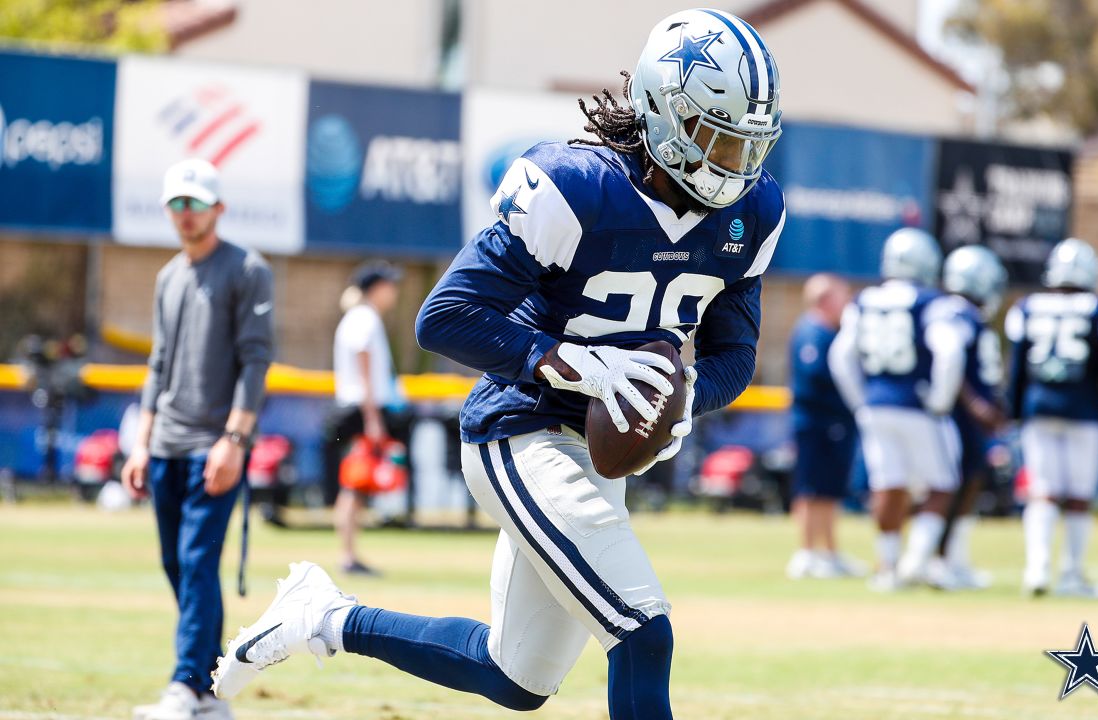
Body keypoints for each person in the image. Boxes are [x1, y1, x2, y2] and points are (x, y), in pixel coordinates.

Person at [212, 10, 783, 719]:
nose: (733, 163)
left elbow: (735, 353)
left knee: (515, 678)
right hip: (523, 431)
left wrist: (689, 395)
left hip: (599, 455)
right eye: (716, 137)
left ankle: (321, 618)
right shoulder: (577, 190)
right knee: (642, 630)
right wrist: (574, 365)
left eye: (747, 144)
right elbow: (444, 317)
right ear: (666, 114)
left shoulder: (750, 215)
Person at [121, 158, 274, 720]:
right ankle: (209, 691)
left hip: (216, 445)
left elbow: (256, 361)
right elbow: (156, 365)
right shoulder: (168, 276)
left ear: (218, 208)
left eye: (195, 203)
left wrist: (234, 439)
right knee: (178, 566)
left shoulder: (248, 269)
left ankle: (185, 684)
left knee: (196, 561)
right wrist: (140, 443)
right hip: (164, 446)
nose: (185, 214)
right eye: (177, 204)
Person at [829, 228, 969, 592]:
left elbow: (841, 355)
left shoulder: (865, 300)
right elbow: (950, 351)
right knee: (942, 484)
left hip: (876, 405)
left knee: (888, 484)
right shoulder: (932, 303)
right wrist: (940, 399)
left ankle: (887, 568)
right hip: (917, 404)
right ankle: (915, 562)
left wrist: (861, 398)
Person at [1005, 237, 1098, 598]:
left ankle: (1037, 569)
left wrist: (1014, 414)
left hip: (1038, 408)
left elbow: (1016, 371)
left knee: (1042, 492)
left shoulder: (1027, 308)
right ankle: (1071, 574)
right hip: (1083, 411)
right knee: (1078, 496)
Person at [325, 260, 414, 575]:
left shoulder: (361, 317)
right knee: (354, 482)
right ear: (375, 288)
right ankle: (347, 555)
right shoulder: (363, 318)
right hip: (360, 410)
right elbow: (364, 368)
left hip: (360, 409)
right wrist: (372, 418)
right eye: (389, 285)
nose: (394, 291)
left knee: (356, 484)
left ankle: (350, 552)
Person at [785, 273, 866, 579]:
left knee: (830, 490)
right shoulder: (813, 331)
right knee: (810, 488)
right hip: (816, 423)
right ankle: (806, 552)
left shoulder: (832, 331)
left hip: (834, 423)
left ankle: (829, 552)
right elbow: (816, 376)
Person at [937, 245, 1008, 589]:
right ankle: (942, 559)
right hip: (955, 415)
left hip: (959, 413)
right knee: (956, 483)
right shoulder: (957, 315)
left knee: (970, 481)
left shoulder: (958, 314)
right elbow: (953, 363)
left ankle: (952, 557)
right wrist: (976, 403)